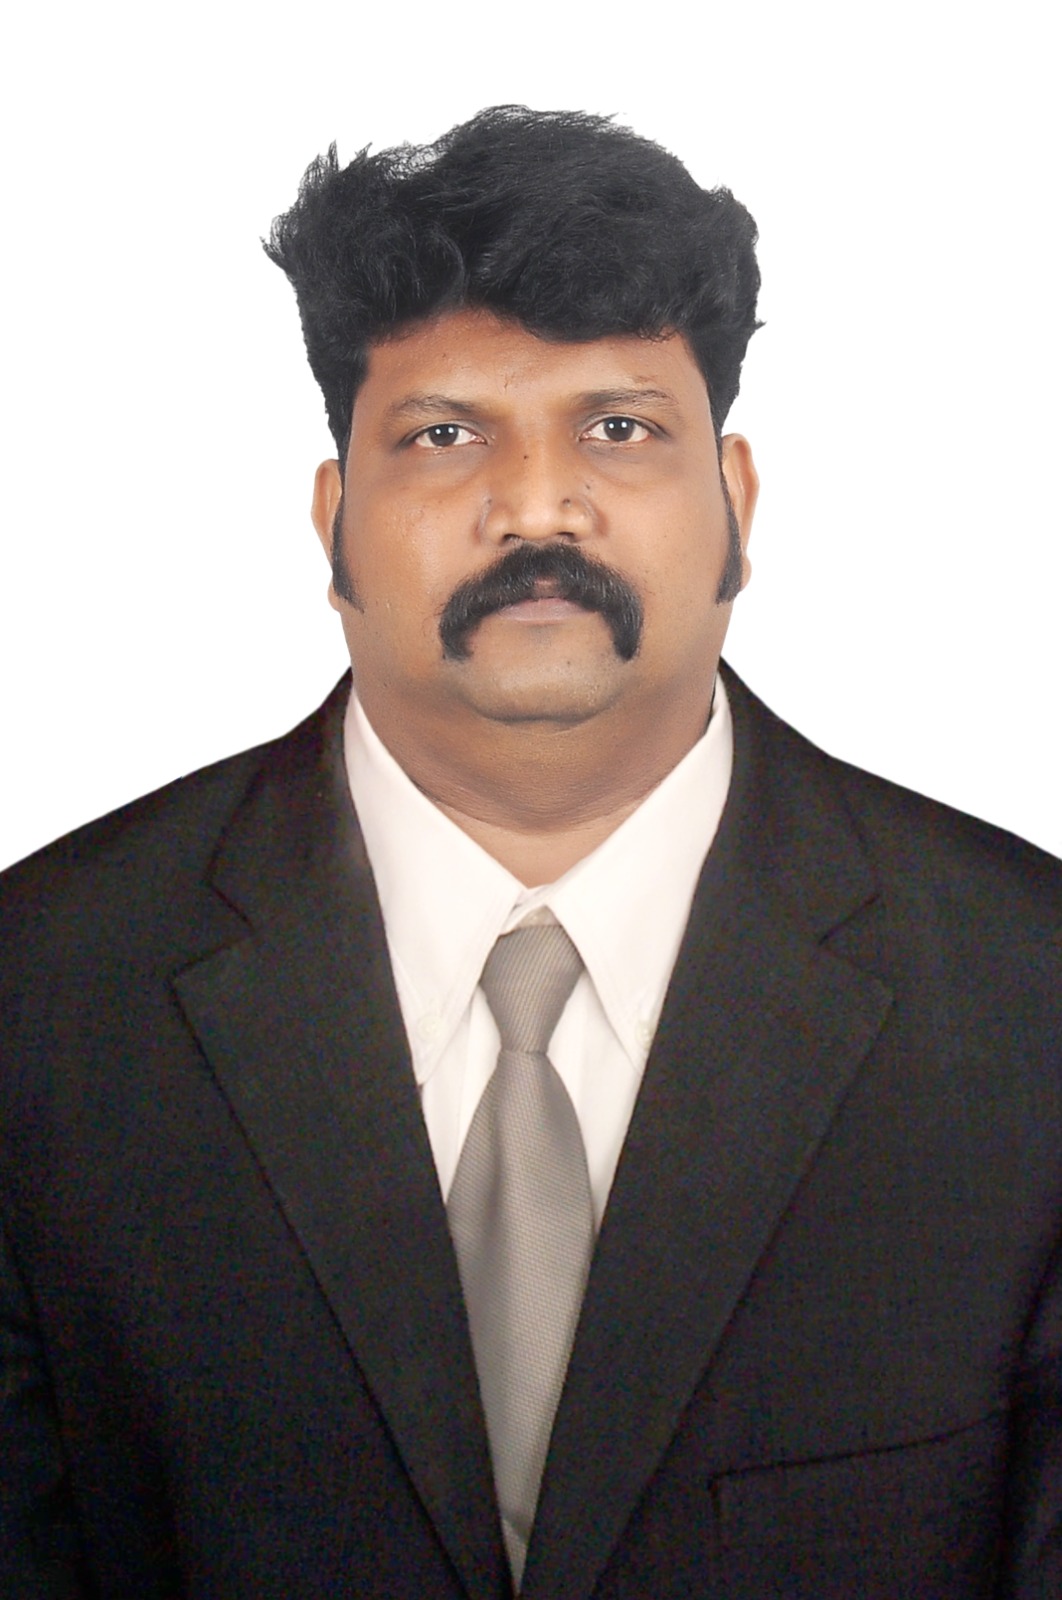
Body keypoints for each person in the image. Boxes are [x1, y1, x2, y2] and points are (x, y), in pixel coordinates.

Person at [1, 105, 1059, 1600]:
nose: (537, 505)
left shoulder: (1027, 996)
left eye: (619, 429)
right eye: (444, 436)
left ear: (736, 503)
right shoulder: (44, 994)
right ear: (334, 519)